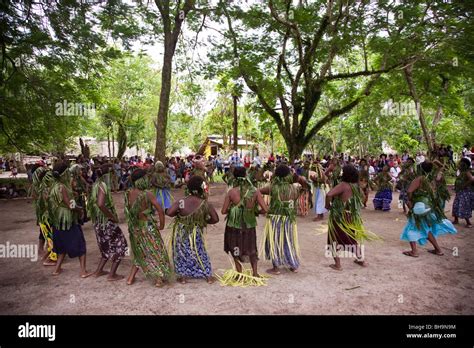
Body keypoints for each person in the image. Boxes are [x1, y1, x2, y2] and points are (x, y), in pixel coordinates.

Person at [219, 167, 269, 286]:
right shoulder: (255, 191)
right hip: (249, 225)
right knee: (251, 247)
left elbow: (223, 211)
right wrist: (254, 212)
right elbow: (265, 209)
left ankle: (239, 272)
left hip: (234, 225)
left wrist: (234, 209)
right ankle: (255, 273)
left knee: (234, 246)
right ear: (246, 175)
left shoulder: (231, 192)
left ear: (234, 177)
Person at [166, 176, 219, 284]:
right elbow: (215, 219)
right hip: (196, 232)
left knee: (181, 252)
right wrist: (203, 221)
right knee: (199, 251)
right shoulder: (205, 203)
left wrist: (178, 214)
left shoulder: (182, 202)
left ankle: (183, 276)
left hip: (181, 232)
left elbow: (170, 212)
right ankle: (208, 276)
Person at [325, 165, 378, 271]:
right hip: (351, 216)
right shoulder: (356, 186)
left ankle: (338, 265)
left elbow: (329, 194)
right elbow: (362, 198)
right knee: (351, 239)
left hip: (340, 216)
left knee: (333, 239)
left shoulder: (343, 185)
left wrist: (328, 206)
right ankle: (361, 260)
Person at [124, 169, 171, 287]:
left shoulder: (129, 193)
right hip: (147, 227)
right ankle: (158, 278)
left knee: (139, 252)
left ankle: (130, 278)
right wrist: (162, 225)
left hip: (135, 228)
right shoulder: (147, 194)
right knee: (155, 250)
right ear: (141, 180)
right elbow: (160, 210)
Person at [401, 161, 457, 257]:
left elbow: (409, 191)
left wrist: (410, 202)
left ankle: (414, 251)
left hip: (419, 207)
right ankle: (438, 249)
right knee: (424, 227)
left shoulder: (420, 179)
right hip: (428, 206)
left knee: (412, 226)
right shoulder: (431, 179)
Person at [48, 162, 92, 278]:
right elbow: (70, 205)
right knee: (80, 244)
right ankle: (83, 271)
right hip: (68, 220)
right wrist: (80, 210)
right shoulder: (62, 187)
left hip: (58, 220)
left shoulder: (53, 185)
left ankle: (57, 269)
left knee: (61, 245)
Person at [259, 164, 305, 275]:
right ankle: (293, 265)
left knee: (274, 240)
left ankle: (276, 268)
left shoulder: (272, 187)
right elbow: (304, 186)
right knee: (289, 241)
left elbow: (258, 192)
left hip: (275, 218)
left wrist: (263, 208)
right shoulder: (294, 188)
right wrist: (297, 178)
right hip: (289, 219)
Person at [88, 164, 128, 281]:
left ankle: (99, 271)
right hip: (106, 222)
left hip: (98, 222)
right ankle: (112, 274)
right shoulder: (103, 185)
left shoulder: (95, 184)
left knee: (105, 246)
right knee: (121, 245)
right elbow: (100, 204)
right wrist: (112, 217)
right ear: (108, 175)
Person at [30, 165, 56, 266]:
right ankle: (52, 258)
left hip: (43, 216)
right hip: (46, 216)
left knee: (47, 234)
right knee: (49, 235)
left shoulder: (38, 187)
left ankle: (48, 253)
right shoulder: (43, 188)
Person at [452, 158, 474, 227]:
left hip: (465, 193)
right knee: (456, 205)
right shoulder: (461, 172)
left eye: (460, 163)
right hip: (460, 192)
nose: (459, 164)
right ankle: (456, 219)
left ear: (464, 164)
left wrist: (464, 185)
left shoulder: (467, 172)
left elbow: (472, 179)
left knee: (464, 206)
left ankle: (468, 223)